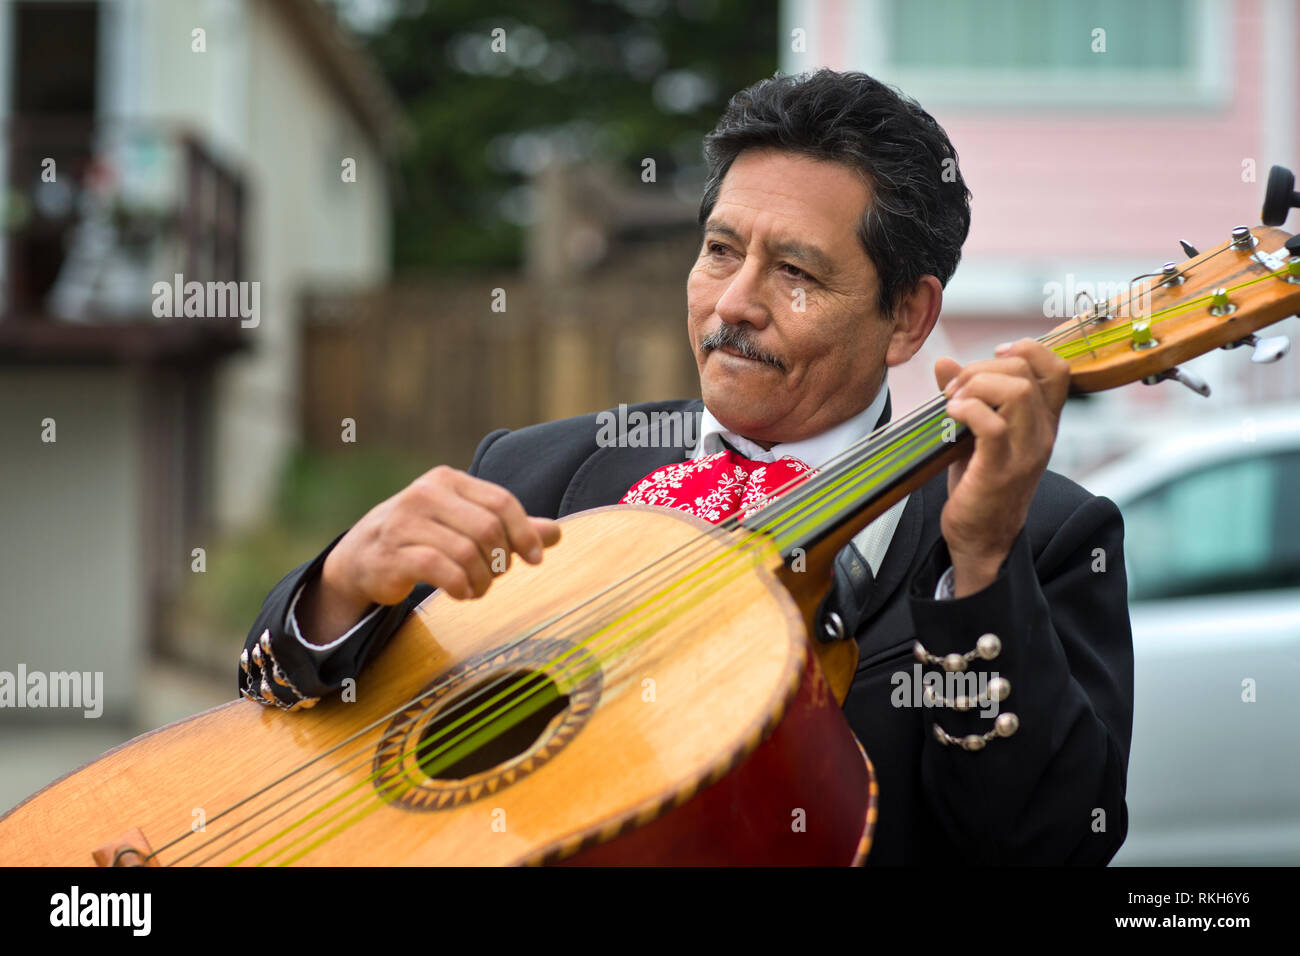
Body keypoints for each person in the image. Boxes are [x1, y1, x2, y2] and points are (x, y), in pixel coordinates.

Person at [238, 69, 1133, 865]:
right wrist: (341, 588)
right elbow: (276, 699)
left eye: (795, 272)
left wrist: (980, 564)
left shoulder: (1047, 536)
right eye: (718, 250)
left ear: (906, 317)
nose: (734, 303)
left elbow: (1047, 845)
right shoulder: (538, 470)